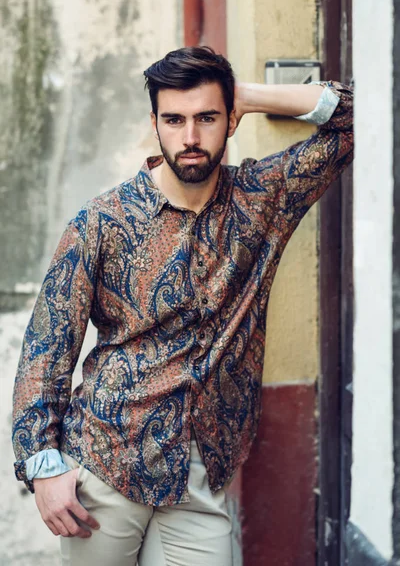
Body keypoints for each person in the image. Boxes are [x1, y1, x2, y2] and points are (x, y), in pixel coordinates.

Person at [12, 46, 353, 566]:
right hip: (109, 464)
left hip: (202, 472)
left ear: (229, 120)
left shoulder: (262, 198)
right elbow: (46, 345)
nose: (190, 137)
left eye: (207, 118)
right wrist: (42, 467)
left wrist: (250, 94)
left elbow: (361, 117)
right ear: (155, 123)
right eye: (173, 120)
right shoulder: (104, 221)